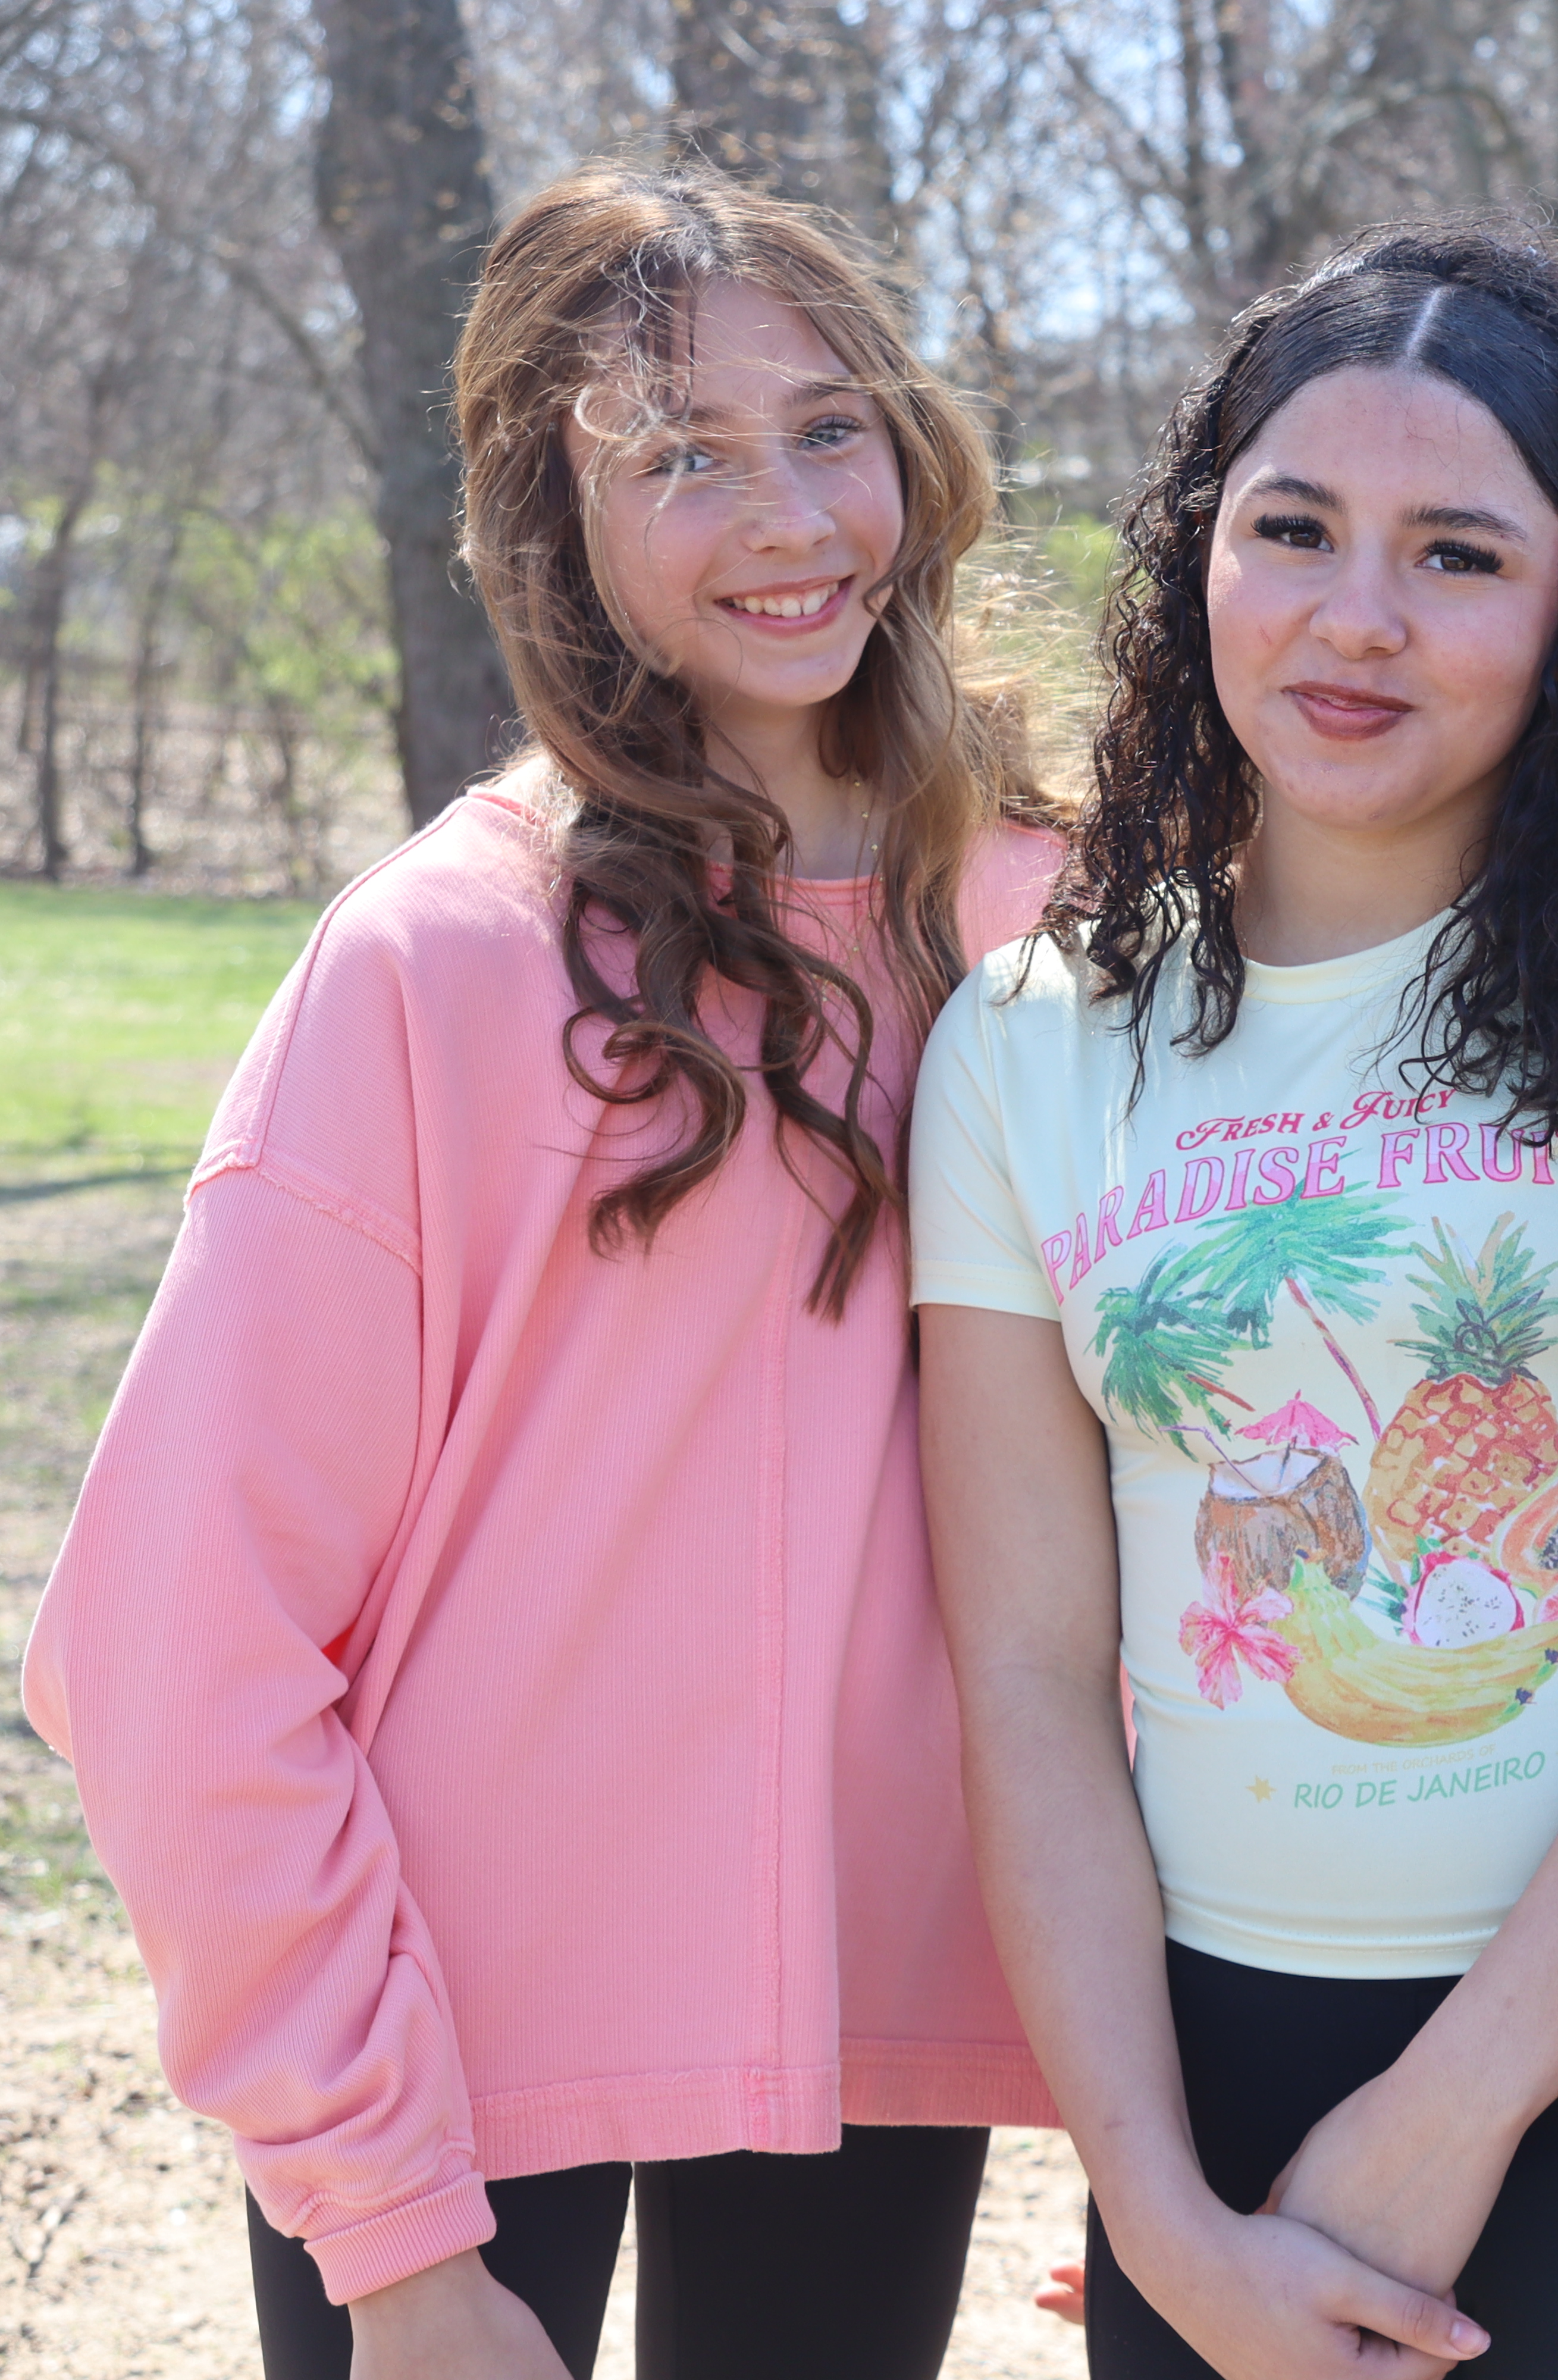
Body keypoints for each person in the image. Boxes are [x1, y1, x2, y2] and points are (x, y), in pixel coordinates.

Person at [20, 159, 1067, 2380]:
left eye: (829, 426)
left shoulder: (1057, 931)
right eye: (679, 456)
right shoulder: (440, 962)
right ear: (550, 527)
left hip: (881, 2021)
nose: (787, 514)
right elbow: (173, 1637)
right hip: (439, 2059)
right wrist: (392, 2243)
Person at [910, 220, 1558, 2380]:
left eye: (1459, 555)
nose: (1354, 618)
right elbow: (1020, 1661)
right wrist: (1157, 2201)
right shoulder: (1028, 1036)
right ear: (1201, 556)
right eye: (1293, 530)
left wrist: (1452, 2112)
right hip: (1214, 2106)